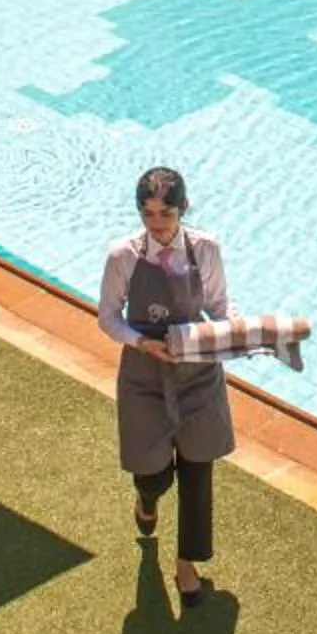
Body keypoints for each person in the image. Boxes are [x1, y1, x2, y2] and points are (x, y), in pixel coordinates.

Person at [100, 165, 234, 605]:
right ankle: (147, 499)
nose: (156, 224)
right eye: (147, 214)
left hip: (197, 373)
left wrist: (242, 334)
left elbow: (218, 308)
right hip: (144, 374)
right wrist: (141, 342)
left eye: (165, 214)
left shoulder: (206, 249)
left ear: (183, 209)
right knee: (153, 472)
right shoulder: (123, 255)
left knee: (199, 469)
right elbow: (108, 318)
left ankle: (185, 565)